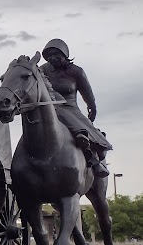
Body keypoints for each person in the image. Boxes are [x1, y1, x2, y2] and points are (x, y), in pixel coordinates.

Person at [40, 39, 111, 178]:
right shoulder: (42, 71)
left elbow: (88, 94)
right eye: (49, 55)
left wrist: (92, 108)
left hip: (71, 109)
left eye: (56, 54)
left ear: (65, 54)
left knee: (90, 134)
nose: (52, 58)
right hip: (49, 108)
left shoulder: (76, 71)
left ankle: (94, 159)